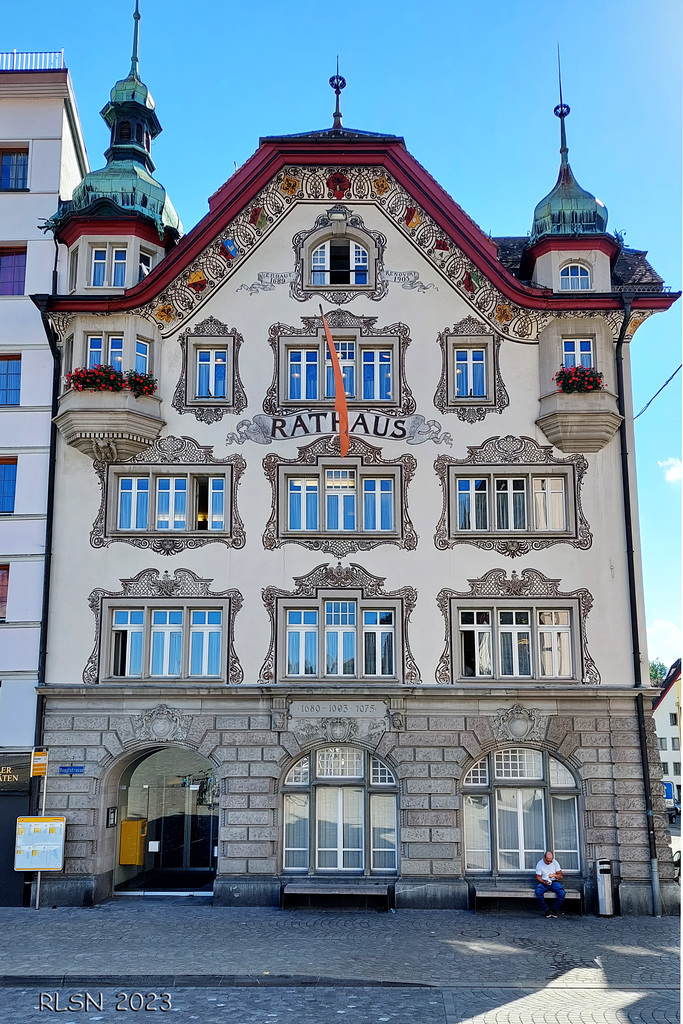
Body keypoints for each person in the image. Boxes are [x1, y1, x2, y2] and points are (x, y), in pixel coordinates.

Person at [535, 850, 565, 918]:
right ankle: (546, 910)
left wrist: (554, 875)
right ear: (544, 858)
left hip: (554, 882)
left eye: (550, 860)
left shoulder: (555, 863)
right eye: (547, 860)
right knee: (538, 893)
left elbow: (560, 876)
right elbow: (538, 878)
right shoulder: (540, 864)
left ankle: (555, 909)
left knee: (562, 893)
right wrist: (544, 882)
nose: (549, 862)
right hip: (544, 882)